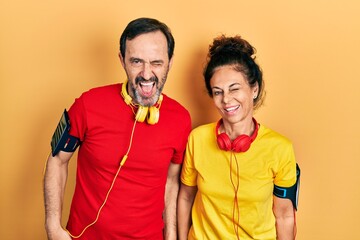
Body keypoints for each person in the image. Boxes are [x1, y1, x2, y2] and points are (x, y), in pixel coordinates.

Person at [43, 17, 191, 240]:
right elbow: (57, 160)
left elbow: (171, 182)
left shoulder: (181, 119)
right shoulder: (87, 104)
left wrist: (170, 236)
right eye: (137, 61)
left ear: (170, 62)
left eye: (157, 63)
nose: (147, 74)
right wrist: (53, 227)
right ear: (122, 60)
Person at [177, 35, 300, 240]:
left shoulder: (280, 148)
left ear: (254, 89)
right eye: (218, 92)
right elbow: (185, 197)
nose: (226, 99)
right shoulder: (196, 139)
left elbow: (285, 215)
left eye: (234, 89)